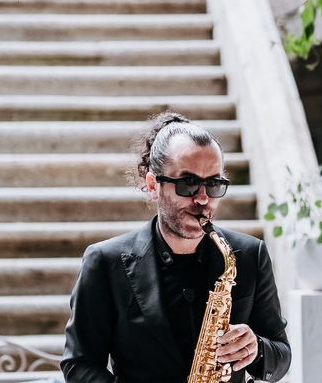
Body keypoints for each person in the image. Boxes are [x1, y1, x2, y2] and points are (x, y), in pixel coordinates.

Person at [61, 111, 291, 383]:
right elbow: (79, 365)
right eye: (188, 184)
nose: (203, 199)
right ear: (152, 185)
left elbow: (282, 355)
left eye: (214, 184)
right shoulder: (104, 261)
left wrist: (257, 349)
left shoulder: (250, 254)